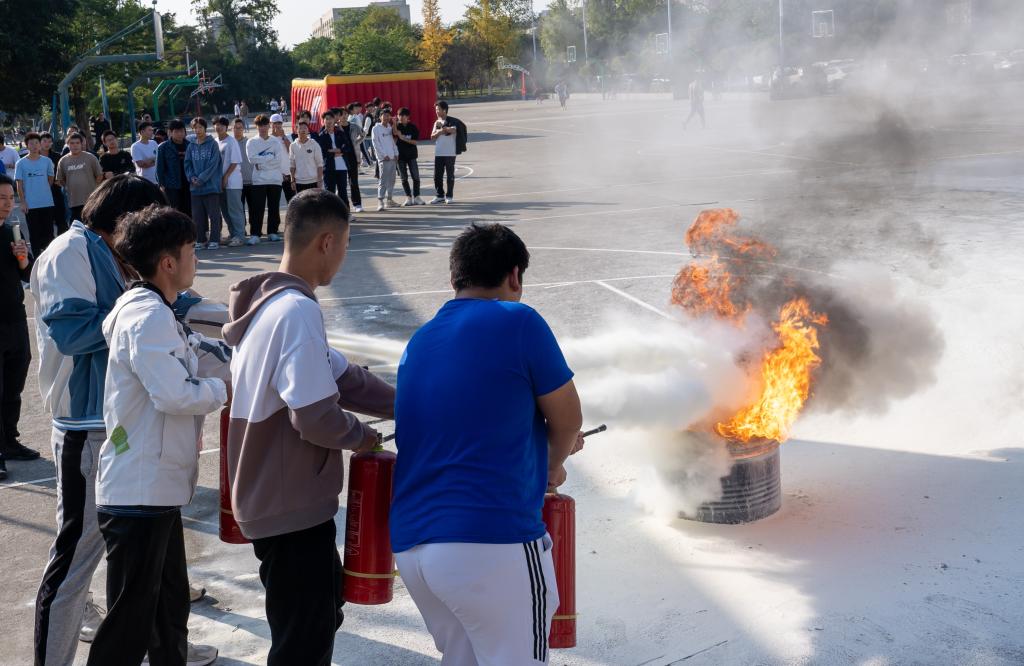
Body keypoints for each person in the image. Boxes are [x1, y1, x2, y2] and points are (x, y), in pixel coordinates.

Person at [391, 222, 583, 665]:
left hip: (415, 549)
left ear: (454, 278)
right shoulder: (519, 320)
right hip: (492, 543)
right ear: (514, 276)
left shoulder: (420, 340)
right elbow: (569, 416)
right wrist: (552, 467)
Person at [222, 189, 395, 666]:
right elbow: (315, 417)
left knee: (314, 620)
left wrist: (413, 403)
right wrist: (365, 436)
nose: (344, 254)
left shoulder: (268, 306)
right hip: (290, 507)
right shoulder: (297, 311)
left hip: (276, 502)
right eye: (345, 243)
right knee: (303, 642)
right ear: (325, 241)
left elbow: (344, 376)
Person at [86, 205, 228, 666]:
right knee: (129, 623)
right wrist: (225, 388)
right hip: (137, 492)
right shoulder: (146, 318)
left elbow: (198, 354)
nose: (196, 260)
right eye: (190, 251)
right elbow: (175, 395)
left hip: (156, 491)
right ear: (168, 262)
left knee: (169, 612)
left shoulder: (157, 312)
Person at [0, 174, 36, 481]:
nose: (7, 204)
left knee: (14, 383)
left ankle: (9, 442)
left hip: (15, 318)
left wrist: (22, 259)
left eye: (10, 198)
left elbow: (28, 276)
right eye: (2, 198)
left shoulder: (13, 230)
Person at [185, 117, 223, 249]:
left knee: (214, 215)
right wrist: (191, 177)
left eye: (200, 127)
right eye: (195, 127)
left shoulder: (213, 144)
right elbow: (187, 164)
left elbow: (213, 165)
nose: (197, 130)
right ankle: (200, 239)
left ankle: (215, 240)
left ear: (205, 128)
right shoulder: (191, 146)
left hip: (211, 186)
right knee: (197, 216)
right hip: (195, 188)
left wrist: (201, 178)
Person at [15, 132, 57, 253]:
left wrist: (42, 190)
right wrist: (23, 202)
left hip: (47, 202)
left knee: (49, 233)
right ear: (26, 145)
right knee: (34, 234)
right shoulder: (21, 163)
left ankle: (50, 257)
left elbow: (50, 179)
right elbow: (19, 184)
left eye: (36, 143)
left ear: (40, 145)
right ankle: (36, 260)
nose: (34, 145)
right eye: (31, 143)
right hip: (30, 205)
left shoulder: (47, 161)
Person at [245, 114, 285, 242]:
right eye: (260, 125)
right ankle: (255, 234)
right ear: (256, 127)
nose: (262, 128)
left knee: (274, 207)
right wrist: (269, 157)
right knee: (257, 208)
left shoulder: (275, 142)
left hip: (275, 180)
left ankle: (272, 232)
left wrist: (261, 164)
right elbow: (252, 159)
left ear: (269, 125)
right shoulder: (252, 142)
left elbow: (278, 160)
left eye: (265, 125)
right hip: (258, 181)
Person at [315, 110, 359, 212]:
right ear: (323, 121)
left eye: (331, 118)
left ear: (334, 120)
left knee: (343, 192)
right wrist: (335, 152)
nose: (329, 121)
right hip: (329, 167)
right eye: (326, 119)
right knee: (329, 192)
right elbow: (323, 152)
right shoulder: (321, 136)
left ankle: (346, 213)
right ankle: (330, 215)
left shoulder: (340, 133)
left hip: (342, 166)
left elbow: (347, 146)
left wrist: (338, 150)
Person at [55, 132, 103, 222]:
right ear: (68, 145)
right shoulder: (63, 160)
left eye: (77, 143)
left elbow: (99, 175)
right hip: (73, 202)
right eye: (72, 143)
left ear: (82, 144)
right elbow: (60, 180)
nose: (75, 145)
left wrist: (93, 187)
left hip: (91, 200)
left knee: (93, 226)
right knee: (77, 229)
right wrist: (69, 187)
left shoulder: (90, 157)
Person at [214, 116, 246, 247]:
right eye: (216, 124)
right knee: (225, 210)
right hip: (219, 182)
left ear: (226, 127)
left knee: (235, 210)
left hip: (232, 182)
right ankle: (233, 234)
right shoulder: (215, 141)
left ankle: (240, 236)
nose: (219, 127)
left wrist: (226, 176)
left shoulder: (231, 141)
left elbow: (235, 161)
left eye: (222, 125)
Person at [429, 101, 467, 205]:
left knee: (450, 175)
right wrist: (440, 131)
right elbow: (432, 137)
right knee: (437, 176)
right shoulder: (437, 123)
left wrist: (444, 130)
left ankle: (449, 196)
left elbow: (453, 130)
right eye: (436, 109)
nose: (436, 111)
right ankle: (439, 195)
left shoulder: (452, 121)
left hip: (450, 153)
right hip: (439, 152)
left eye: (438, 109)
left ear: (444, 110)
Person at [156, 119, 192, 218]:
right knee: (175, 212)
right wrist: (161, 185)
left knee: (190, 210)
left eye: (181, 131)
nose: (179, 134)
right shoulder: (163, 147)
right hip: (171, 185)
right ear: (170, 132)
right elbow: (159, 168)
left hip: (188, 183)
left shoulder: (190, 145)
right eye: (176, 131)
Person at [232, 117, 258, 245]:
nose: (238, 130)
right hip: (236, 183)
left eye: (240, 128)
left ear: (243, 129)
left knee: (253, 208)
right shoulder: (230, 143)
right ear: (232, 129)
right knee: (238, 210)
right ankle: (241, 231)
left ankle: (254, 232)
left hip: (251, 181)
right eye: (236, 128)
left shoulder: (249, 142)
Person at [40, 132, 69, 235]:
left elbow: (64, 173)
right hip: (40, 194)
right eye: (44, 141)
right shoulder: (34, 157)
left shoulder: (57, 157)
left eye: (49, 141)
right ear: (39, 142)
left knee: (61, 222)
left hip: (56, 192)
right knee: (45, 224)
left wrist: (60, 180)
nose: (47, 144)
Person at [371, 107, 399, 211]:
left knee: (392, 180)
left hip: (392, 157)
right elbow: (376, 144)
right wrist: (383, 155)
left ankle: (390, 200)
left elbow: (392, 141)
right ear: (380, 117)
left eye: (388, 115)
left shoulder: (389, 127)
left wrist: (396, 153)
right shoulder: (376, 129)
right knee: (383, 180)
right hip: (384, 159)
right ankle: (380, 201)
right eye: (385, 115)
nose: (387, 117)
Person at [395, 108, 423, 206]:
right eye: (399, 115)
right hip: (400, 156)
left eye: (403, 115)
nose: (401, 117)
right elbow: (394, 135)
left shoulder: (413, 127)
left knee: (416, 177)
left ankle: (417, 197)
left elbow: (415, 142)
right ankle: (408, 197)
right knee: (404, 178)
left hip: (411, 155)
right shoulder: (396, 127)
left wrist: (403, 138)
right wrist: (394, 124)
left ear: (408, 117)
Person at [289, 121, 323, 193]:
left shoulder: (314, 144)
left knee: (314, 203)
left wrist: (319, 180)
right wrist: (292, 180)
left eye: (305, 128)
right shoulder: (293, 146)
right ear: (296, 130)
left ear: (308, 131)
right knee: (302, 204)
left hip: (314, 181)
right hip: (299, 182)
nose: (303, 130)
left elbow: (319, 164)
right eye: (300, 128)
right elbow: (292, 164)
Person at [271, 114, 294, 203]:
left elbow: (291, 152)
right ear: (271, 124)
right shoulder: (269, 138)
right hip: (275, 175)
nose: (277, 125)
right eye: (275, 123)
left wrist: (283, 137)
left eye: (279, 123)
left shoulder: (288, 136)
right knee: (274, 201)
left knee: (291, 200)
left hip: (288, 174)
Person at [347, 102, 370, 169]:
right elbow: (355, 128)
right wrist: (361, 134)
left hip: (359, 136)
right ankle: (367, 163)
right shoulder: (351, 118)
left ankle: (359, 167)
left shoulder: (356, 116)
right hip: (357, 137)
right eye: (355, 109)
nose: (356, 110)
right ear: (351, 110)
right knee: (360, 151)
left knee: (360, 151)